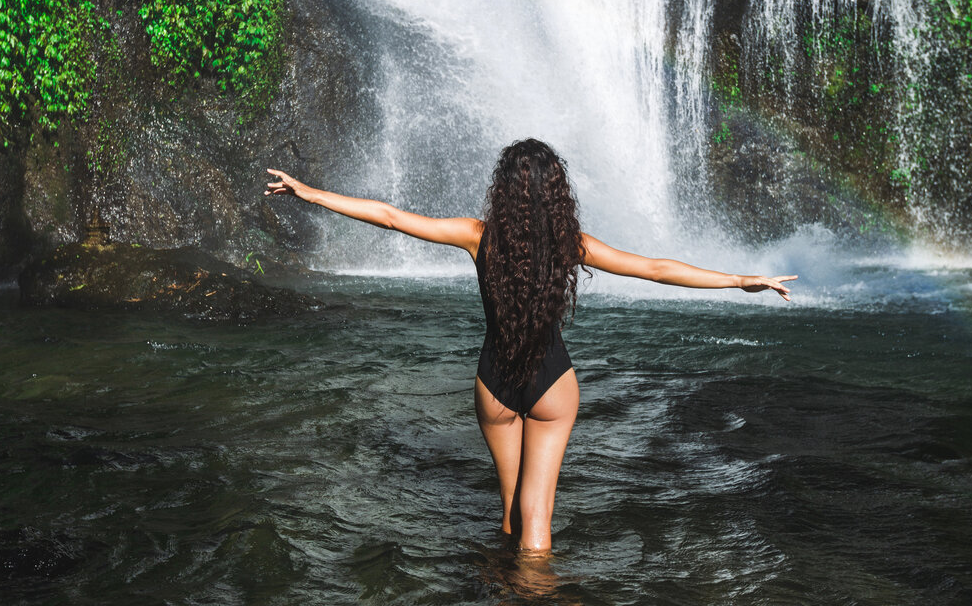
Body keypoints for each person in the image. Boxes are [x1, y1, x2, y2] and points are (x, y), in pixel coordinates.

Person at [265, 139, 795, 553]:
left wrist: (310, 193)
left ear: (504, 191)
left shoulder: (478, 236)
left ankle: (502, 584)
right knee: (537, 522)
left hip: (494, 384)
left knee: (509, 515)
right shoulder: (573, 245)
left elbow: (390, 216)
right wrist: (739, 280)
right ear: (555, 192)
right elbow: (655, 269)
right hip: (552, 385)